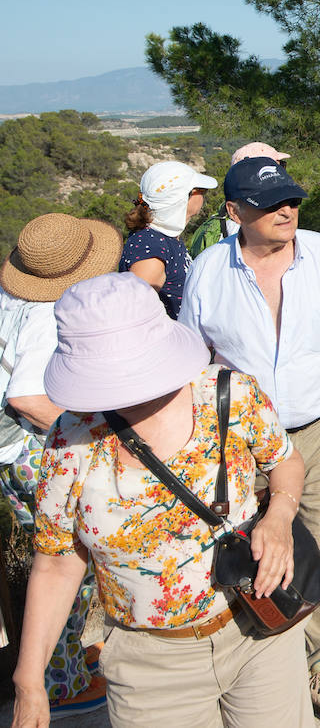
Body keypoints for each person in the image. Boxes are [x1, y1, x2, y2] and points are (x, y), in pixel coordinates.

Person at [12, 272, 310, 728]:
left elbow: (285, 461)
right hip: (149, 667)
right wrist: (29, 681)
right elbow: (56, 563)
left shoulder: (228, 393)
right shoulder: (68, 443)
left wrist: (281, 514)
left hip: (258, 626)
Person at [180, 156, 320, 727]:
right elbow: (189, 360)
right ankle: (262, 659)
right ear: (234, 212)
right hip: (243, 441)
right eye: (270, 203)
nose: (286, 211)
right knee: (249, 549)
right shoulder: (206, 274)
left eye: (292, 201)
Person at [0, 213, 120, 720]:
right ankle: (64, 681)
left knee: (49, 559)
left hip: (7, 451)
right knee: (70, 557)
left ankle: (60, 659)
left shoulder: (12, 300)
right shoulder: (47, 314)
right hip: (32, 450)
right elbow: (26, 395)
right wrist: (89, 433)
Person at [118, 161, 217, 319]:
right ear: (183, 198)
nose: (204, 195)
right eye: (201, 191)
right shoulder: (150, 250)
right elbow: (134, 313)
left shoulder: (163, 237)